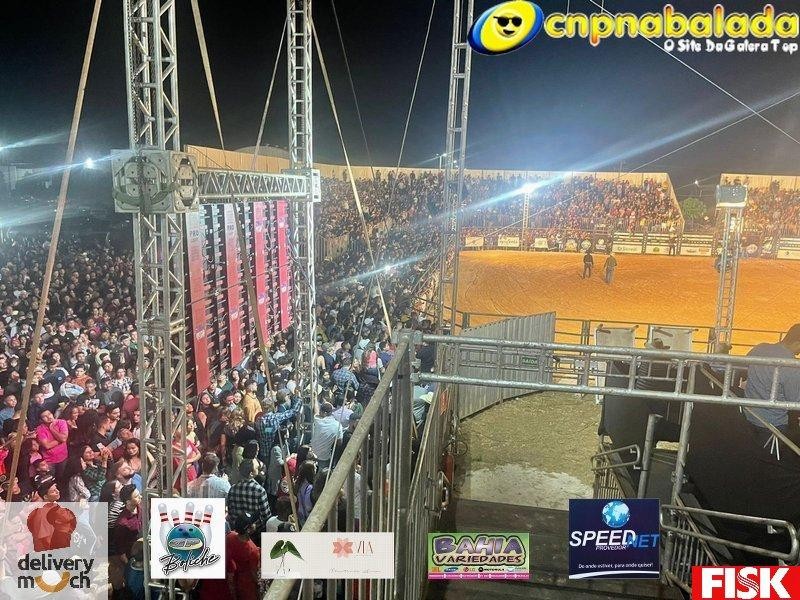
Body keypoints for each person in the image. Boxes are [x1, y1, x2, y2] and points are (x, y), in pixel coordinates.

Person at [744, 324, 800, 444]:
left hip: (748, 414)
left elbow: (742, 366)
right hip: (774, 424)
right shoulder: (793, 367)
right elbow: (794, 401)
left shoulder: (759, 348)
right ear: (797, 343)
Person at [227, 458, 271, 531]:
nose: (259, 468)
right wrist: (255, 525)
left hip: (238, 530)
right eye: (257, 468)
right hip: (255, 530)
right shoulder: (259, 490)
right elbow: (266, 515)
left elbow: (231, 513)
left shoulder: (232, 489)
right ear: (251, 474)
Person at [310, 402, 343, 470]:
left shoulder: (318, 420)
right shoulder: (338, 425)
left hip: (312, 455)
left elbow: (315, 411)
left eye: (320, 411)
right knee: (323, 475)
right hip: (324, 457)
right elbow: (339, 442)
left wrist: (315, 399)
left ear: (324, 413)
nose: (319, 413)